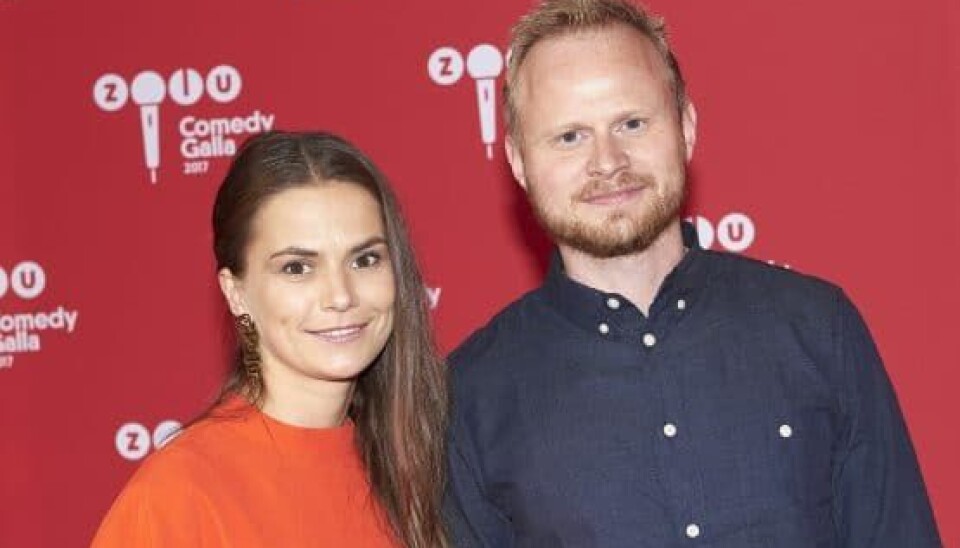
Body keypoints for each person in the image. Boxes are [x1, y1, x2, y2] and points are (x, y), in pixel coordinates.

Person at [444, 1, 942, 546]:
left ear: (685, 127)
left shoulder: (818, 329)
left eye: (632, 123)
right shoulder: (469, 396)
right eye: (570, 137)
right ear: (517, 159)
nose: (608, 161)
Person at [93, 131, 448, 548]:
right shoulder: (176, 498)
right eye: (297, 268)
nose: (340, 295)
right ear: (235, 292)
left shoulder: (419, 471)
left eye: (364, 259)